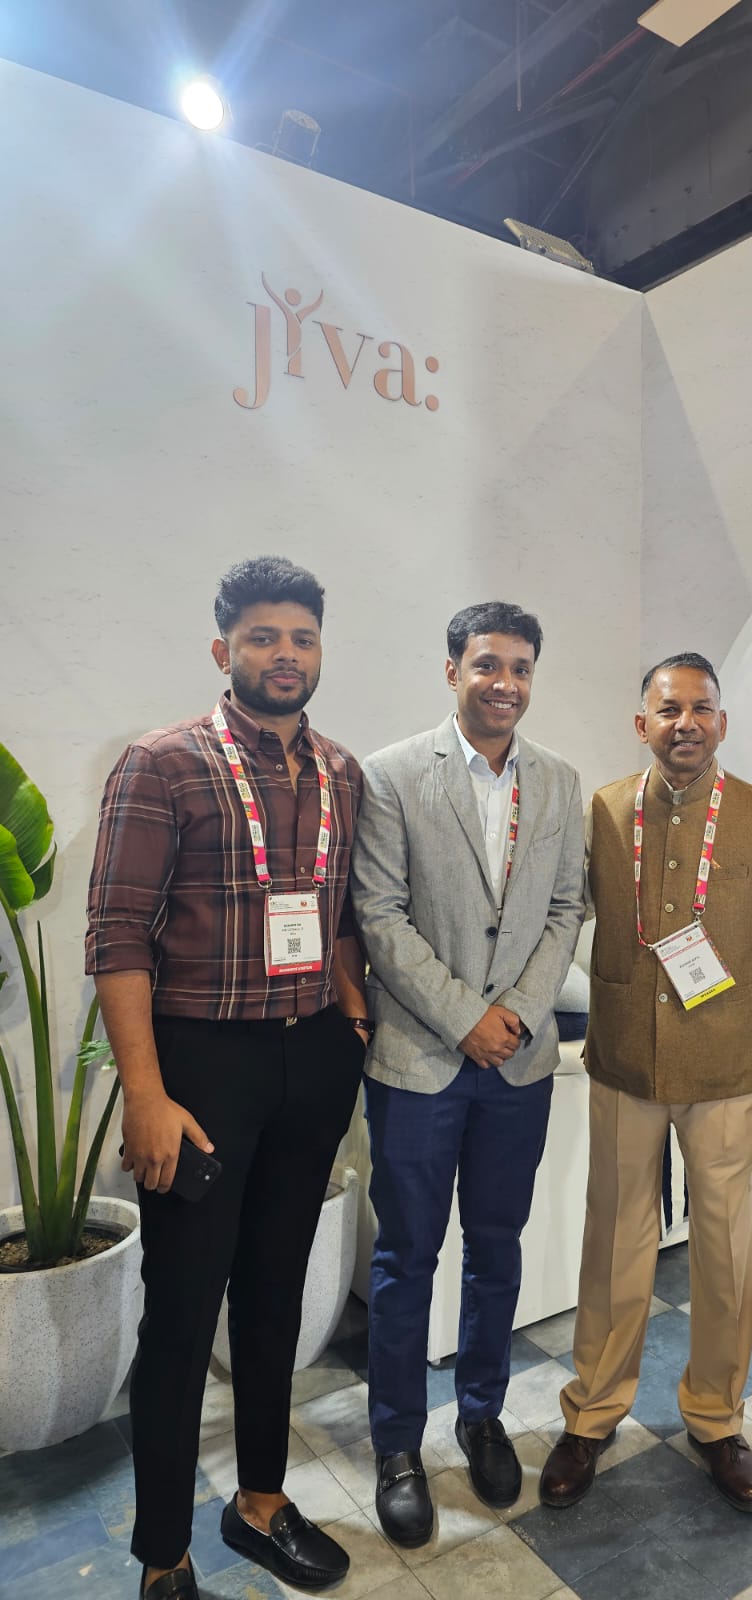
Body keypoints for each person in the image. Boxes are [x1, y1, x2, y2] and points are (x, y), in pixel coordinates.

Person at [86, 557, 368, 1600]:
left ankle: (259, 1500)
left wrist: (352, 1017)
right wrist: (147, 1095)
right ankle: (164, 1553)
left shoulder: (340, 771)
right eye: (262, 637)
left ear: (320, 650)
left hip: (312, 1058)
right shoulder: (162, 764)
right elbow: (117, 936)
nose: (284, 655)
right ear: (223, 650)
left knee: (274, 1294)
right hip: (201, 1070)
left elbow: (342, 915)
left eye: (301, 637)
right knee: (181, 1311)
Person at [541, 652, 752, 1514]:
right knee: (614, 1242)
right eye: (668, 709)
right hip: (625, 1061)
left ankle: (718, 1418)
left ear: (721, 722)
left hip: (726, 1068)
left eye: (700, 709)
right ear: (642, 724)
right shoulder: (605, 810)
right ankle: (591, 1413)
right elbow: (565, 915)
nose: (684, 723)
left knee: (725, 1252)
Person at [351, 602, 585, 1547]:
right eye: (488, 664)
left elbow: (565, 909)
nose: (506, 683)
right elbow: (379, 913)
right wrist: (466, 1018)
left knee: (497, 1248)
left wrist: (514, 1015)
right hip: (419, 1060)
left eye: (521, 667)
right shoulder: (392, 774)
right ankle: (397, 1446)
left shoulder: (558, 780)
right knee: (407, 1259)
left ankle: (482, 1416)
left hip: (518, 1065)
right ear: (452, 670)